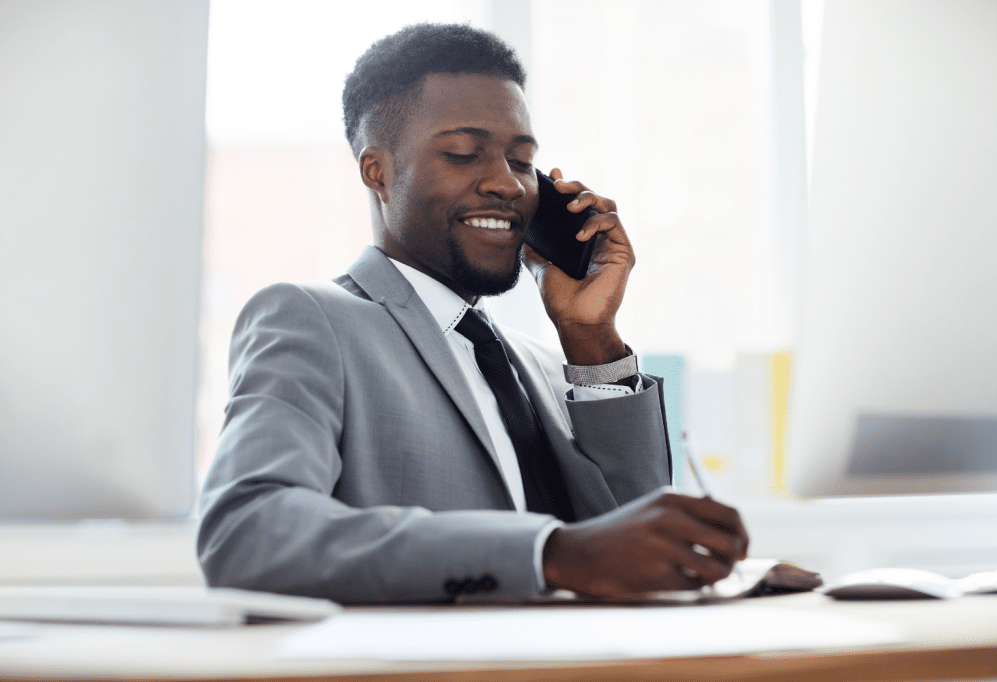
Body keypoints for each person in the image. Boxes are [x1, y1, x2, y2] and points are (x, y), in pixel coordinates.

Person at [197, 23, 748, 604]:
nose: (508, 184)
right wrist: (548, 553)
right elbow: (247, 532)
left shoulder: (541, 365)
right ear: (376, 172)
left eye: (522, 160)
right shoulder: (312, 320)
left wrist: (591, 338)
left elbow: (635, 549)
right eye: (463, 153)